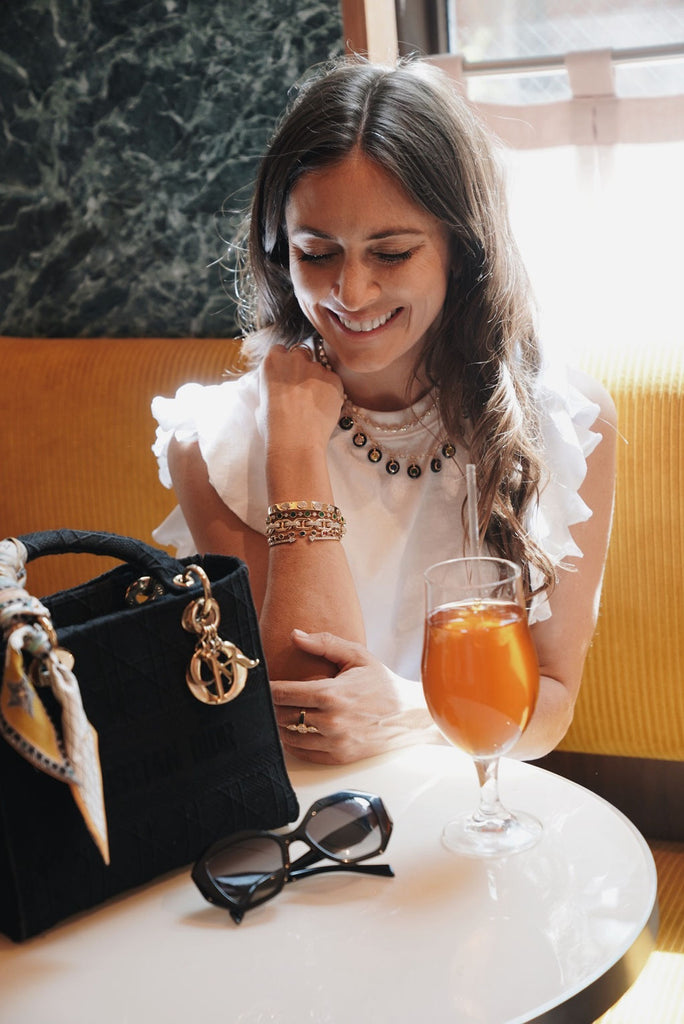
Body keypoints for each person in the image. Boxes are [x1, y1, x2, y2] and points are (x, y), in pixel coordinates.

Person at [152, 56, 617, 766]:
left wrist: (410, 708)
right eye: (316, 253)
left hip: (480, 797)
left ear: (461, 252)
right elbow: (308, 717)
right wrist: (295, 451)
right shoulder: (216, 443)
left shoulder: (563, 422)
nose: (351, 292)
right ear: (281, 255)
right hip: (309, 811)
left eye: (392, 253)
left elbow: (550, 705)